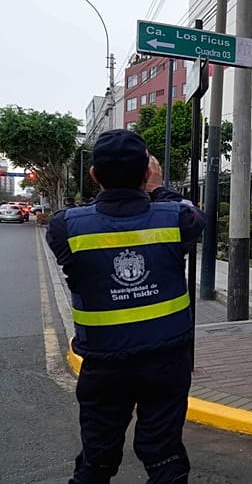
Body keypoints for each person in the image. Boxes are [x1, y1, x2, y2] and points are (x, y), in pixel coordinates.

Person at [46, 129, 206, 483]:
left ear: (93, 174)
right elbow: (195, 214)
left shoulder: (65, 227)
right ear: (147, 173)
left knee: (97, 460)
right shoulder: (176, 218)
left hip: (104, 364)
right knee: (165, 458)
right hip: (166, 362)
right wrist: (158, 187)